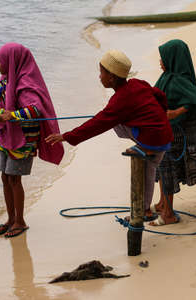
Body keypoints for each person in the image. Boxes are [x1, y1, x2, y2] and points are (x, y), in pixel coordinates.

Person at [45, 50, 173, 220]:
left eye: (102, 72)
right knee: (148, 171)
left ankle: (142, 211)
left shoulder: (120, 100)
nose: (99, 77)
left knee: (145, 170)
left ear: (111, 77)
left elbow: (97, 124)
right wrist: (161, 114)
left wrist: (67, 136)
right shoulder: (136, 83)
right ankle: (144, 210)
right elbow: (160, 95)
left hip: (152, 141)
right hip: (164, 137)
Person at [0, 43, 64, 238]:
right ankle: (10, 218)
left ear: (11, 61)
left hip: (23, 140)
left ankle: (20, 221)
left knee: (15, 179)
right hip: (5, 136)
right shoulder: (5, 80)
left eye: (0, 61)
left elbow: (35, 109)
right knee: (5, 177)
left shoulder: (26, 82)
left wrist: (12, 115)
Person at [150, 39, 196, 226]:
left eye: (163, 58)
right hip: (167, 131)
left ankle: (168, 214)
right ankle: (162, 204)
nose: (160, 62)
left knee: (167, 168)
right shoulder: (168, 76)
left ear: (173, 59)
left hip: (178, 133)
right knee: (162, 168)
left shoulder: (179, 79)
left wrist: (176, 112)